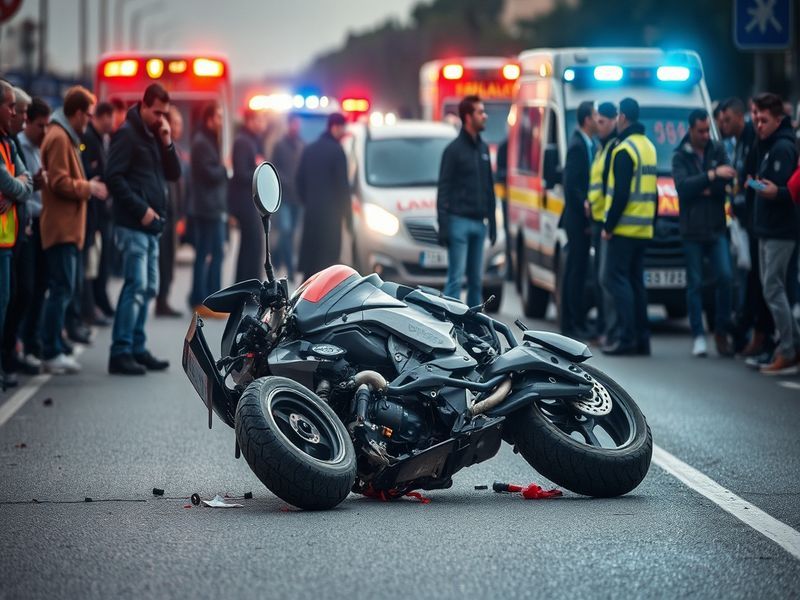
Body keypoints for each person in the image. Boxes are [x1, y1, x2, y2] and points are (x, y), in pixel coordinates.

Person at [106, 83, 180, 375]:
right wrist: (142, 210)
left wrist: (167, 141)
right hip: (134, 225)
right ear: (144, 105)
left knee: (148, 288)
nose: (161, 118)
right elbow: (114, 177)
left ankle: (137, 347)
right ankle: (120, 351)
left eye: (165, 114)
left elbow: (173, 173)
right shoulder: (127, 134)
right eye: (157, 112)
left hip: (152, 227)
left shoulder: (153, 134)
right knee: (135, 286)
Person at [39, 86, 108, 375]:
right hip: (61, 228)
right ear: (78, 113)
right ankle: (50, 350)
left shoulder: (65, 135)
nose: (89, 120)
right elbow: (58, 182)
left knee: (65, 287)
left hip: (68, 228)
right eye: (88, 115)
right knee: (61, 288)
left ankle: (54, 345)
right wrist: (88, 187)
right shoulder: (58, 137)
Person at [672, 109, 736, 357]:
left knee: (726, 277)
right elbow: (683, 188)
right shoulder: (680, 155)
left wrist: (706, 185)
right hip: (692, 231)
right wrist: (710, 176)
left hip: (716, 227)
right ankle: (698, 335)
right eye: (700, 130)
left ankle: (720, 331)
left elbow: (725, 183)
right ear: (690, 129)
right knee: (695, 284)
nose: (705, 134)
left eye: (707, 129)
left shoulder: (717, 149)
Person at [600, 97, 657, 356]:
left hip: (623, 229)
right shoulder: (648, 147)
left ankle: (626, 338)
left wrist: (608, 226)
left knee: (616, 281)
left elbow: (621, 194)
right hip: (644, 228)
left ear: (622, 117)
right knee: (636, 284)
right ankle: (642, 340)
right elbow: (652, 191)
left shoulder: (624, 150)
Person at [749, 92, 800, 375]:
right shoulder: (768, 144)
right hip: (768, 227)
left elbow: (786, 190)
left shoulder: (782, 147)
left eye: (763, 119)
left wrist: (768, 190)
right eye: (756, 117)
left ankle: (788, 349)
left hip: (781, 229)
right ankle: (792, 345)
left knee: (773, 287)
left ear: (778, 119)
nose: (758, 123)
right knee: (772, 287)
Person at [436, 95, 497, 307]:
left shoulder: (483, 149)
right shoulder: (453, 151)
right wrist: (443, 226)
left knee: (476, 282)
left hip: (479, 224)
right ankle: (449, 325)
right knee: (455, 279)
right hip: (458, 222)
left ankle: (473, 328)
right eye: (480, 112)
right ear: (468, 117)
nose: (485, 116)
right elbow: (443, 189)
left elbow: (489, 187)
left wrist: (493, 222)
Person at [0, 81, 33, 389]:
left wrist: (15, 191)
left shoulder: (9, 143)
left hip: (9, 241)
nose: (15, 113)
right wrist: (16, 189)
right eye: (11, 107)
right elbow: (12, 184)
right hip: (5, 241)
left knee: (8, 302)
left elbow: (26, 181)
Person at [14, 98, 50, 373]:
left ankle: (30, 343)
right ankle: (19, 345)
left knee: (39, 287)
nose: (44, 131)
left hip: (40, 223)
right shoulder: (19, 145)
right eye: (40, 125)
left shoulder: (37, 147)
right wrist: (32, 183)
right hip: (24, 225)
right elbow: (18, 184)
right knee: (24, 289)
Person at [296, 112, 351, 280]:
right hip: (331, 218)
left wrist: (308, 201)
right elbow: (343, 187)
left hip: (312, 213)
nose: (344, 132)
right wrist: (347, 216)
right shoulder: (337, 151)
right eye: (343, 128)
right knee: (328, 265)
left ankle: (305, 296)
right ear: (335, 127)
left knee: (311, 263)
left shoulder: (309, 149)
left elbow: (298, 179)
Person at [560, 100, 597, 339]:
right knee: (575, 271)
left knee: (580, 271)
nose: (597, 120)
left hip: (581, 220)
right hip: (577, 220)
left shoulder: (587, 143)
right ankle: (571, 323)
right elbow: (571, 185)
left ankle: (578, 320)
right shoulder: (577, 146)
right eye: (595, 115)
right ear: (586, 119)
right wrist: (584, 209)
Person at [189, 101, 228, 315]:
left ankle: (207, 299)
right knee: (208, 253)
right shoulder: (202, 142)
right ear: (209, 119)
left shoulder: (208, 140)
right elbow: (209, 174)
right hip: (207, 209)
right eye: (219, 117)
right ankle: (204, 300)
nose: (221, 122)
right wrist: (224, 169)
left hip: (211, 207)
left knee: (211, 253)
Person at [78, 101, 115, 328]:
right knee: (91, 265)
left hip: (101, 212)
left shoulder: (101, 138)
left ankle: (97, 304)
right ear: (100, 117)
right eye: (109, 118)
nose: (112, 123)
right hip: (93, 213)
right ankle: (88, 309)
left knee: (99, 263)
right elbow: (92, 173)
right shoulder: (90, 139)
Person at [587, 102, 618, 343]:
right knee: (600, 278)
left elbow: (610, 188)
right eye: (597, 121)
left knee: (606, 279)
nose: (598, 126)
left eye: (602, 122)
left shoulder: (613, 149)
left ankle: (610, 329)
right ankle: (604, 327)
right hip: (598, 220)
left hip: (607, 222)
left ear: (614, 120)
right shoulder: (602, 147)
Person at [155, 105, 186, 317]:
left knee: (170, 260)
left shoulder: (175, 148)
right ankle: (161, 301)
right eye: (175, 123)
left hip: (173, 213)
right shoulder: (162, 150)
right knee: (164, 261)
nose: (178, 128)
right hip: (164, 213)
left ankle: (163, 299)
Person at [229, 108, 266, 283]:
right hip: (245, 203)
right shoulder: (243, 142)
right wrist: (259, 169)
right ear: (250, 121)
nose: (262, 124)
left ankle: (249, 285)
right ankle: (247, 286)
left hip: (251, 202)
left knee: (253, 246)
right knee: (251, 246)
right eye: (259, 120)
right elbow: (241, 173)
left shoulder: (253, 141)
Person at [271, 113, 303, 282]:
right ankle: (290, 269)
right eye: (295, 124)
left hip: (298, 198)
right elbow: (274, 168)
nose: (297, 127)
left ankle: (277, 256)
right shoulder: (279, 146)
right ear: (289, 124)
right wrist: (286, 181)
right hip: (284, 197)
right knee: (285, 231)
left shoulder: (301, 145)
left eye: (298, 124)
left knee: (291, 234)